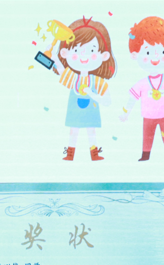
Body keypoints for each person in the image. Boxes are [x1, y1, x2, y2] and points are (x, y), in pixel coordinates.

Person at [118, 16, 164, 161]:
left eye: (163, 52)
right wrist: (126, 113)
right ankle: (145, 155)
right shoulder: (142, 83)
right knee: (147, 136)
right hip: (148, 115)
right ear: (135, 55)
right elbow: (132, 99)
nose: (155, 57)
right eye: (148, 52)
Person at [52, 17, 116, 162]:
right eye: (76, 50)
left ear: (104, 56)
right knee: (73, 131)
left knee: (91, 132)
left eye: (91, 50)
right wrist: (54, 57)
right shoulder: (74, 78)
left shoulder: (97, 82)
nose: (83, 56)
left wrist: (91, 93)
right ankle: (70, 154)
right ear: (65, 53)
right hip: (75, 113)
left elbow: (107, 101)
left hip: (90, 113)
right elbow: (62, 71)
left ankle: (94, 154)